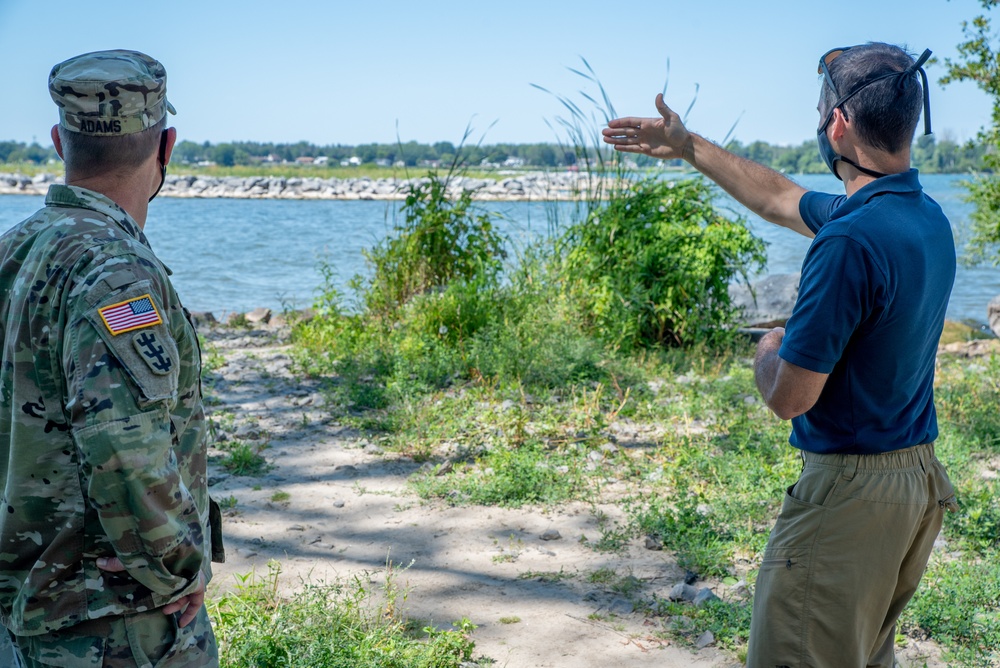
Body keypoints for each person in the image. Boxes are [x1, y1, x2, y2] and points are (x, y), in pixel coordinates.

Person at [603, 42, 958, 668]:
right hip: (913, 485)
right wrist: (690, 146)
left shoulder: (849, 238)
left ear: (838, 124)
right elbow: (781, 199)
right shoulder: (922, 217)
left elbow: (791, 396)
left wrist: (770, 345)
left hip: (850, 496)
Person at [0, 50, 223, 667]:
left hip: (22, 606)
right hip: (109, 622)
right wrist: (178, 568)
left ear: (57, 141)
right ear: (166, 148)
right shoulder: (117, 273)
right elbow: (125, 446)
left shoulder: (12, 253)